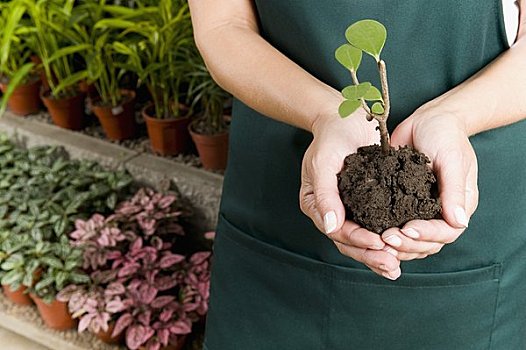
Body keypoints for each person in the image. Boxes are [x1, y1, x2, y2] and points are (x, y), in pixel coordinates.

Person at [189, 0, 526, 349]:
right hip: (279, 222)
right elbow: (222, 25)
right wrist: (324, 113)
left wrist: (454, 116)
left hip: (475, 226)